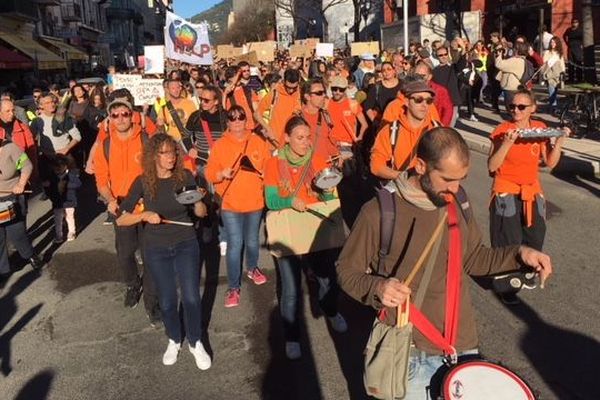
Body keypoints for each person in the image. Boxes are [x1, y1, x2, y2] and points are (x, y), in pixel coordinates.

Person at [336, 127, 554, 399]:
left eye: (460, 179)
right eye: (448, 179)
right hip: (410, 352)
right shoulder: (380, 210)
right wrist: (378, 287)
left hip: (462, 346)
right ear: (420, 165)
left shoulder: (457, 200)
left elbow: (474, 258)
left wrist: (519, 254)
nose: (455, 188)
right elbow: (346, 271)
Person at [116, 133, 211, 370]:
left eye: (174, 152)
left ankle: (196, 341)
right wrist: (144, 215)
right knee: (168, 301)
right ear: (153, 156)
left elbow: (200, 214)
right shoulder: (143, 182)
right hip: (156, 247)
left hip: (186, 242)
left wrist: (198, 201)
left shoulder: (185, 176)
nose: (171, 157)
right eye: (165, 153)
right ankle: (174, 339)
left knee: (190, 297)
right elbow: (121, 219)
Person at [264, 116, 347, 360]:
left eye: (308, 137)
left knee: (327, 278)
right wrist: (290, 200)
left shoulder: (318, 159)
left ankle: (331, 311)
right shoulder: (273, 164)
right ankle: (292, 336)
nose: (305, 142)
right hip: (289, 228)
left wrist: (327, 196)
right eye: (299, 138)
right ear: (287, 138)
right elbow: (270, 201)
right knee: (290, 288)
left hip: (315, 225)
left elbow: (329, 193)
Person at [487, 89, 567, 304]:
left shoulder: (539, 129)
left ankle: (526, 270)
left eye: (522, 107)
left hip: (531, 189)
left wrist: (558, 142)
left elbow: (550, 163)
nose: (516, 110)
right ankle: (506, 285)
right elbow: (492, 166)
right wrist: (507, 143)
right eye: (512, 106)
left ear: (533, 108)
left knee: (535, 233)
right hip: (506, 187)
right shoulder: (502, 130)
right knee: (508, 237)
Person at [93, 98, 159, 322]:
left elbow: (157, 169)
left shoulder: (145, 139)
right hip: (121, 207)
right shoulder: (105, 145)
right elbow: (101, 179)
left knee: (150, 255)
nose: (121, 118)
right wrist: (109, 199)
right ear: (110, 119)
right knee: (125, 254)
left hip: (147, 205)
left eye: (125, 114)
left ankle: (153, 301)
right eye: (116, 115)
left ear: (132, 115)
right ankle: (132, 285)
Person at [205, 105, 271, 308]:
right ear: (227, 122)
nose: (237, 121)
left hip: (255, 203)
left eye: (241, 117)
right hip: (230, 204)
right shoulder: (220, 145)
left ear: (246, 119)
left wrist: (264, 174)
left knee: (252, 241)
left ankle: (252, 268)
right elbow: (209, 173)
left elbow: (269, 167)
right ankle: (233, 287)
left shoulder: (258, 141)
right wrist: (220, 174)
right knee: (235, 246)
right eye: (232, 118)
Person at [370, 80, 440, 180]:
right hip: (402, 188)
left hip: (429, 190)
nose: (424, 105)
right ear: (406, 102)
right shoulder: (390, 131)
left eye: (429, 101)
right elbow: (376, 165)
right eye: (418, 100)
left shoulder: (438, 130)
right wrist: (403, 178)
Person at [0, 137, 43, 276]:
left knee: (16, 234)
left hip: (11, 197)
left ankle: (29, 255)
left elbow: (26, 166)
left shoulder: (10, 148)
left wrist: (21, 184)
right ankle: (3, 270)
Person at [255, 68, 302, 146]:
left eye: (294, 88)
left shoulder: (300, 93)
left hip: (292, 143)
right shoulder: (275, 93)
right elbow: (257, 114)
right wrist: (268, 129)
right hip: (274, 143)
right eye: (288, 87)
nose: (291, 90)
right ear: (283, 81)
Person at [44, 154, 81, 243]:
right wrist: (47, 185)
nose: (57, 170)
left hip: (69, 200)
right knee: (58, 218)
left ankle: (71, 232)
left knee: (69, 217)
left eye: (59, 168)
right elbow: (49, 188)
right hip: (57, 201)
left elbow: (78, 184)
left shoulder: (71, 175)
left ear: (65, 166)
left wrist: (67, 185)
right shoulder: (52, 176)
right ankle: (59, 235)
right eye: (55, 168)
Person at [432, 44, 466, 127]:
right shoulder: (434, 71)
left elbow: (461, 63)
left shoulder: (453, 67)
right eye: (440, 55)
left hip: (452, 101)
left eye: (445, 54)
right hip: (439, 102)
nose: (443, 57)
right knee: (438, 126)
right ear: (437, 57)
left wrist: (463, 49)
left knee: (450, 127)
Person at [414, 62, 453, 126]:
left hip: (433, 126)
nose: (419, 78)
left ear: (430, 77)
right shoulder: (409, 89)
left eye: (423, 76)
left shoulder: (440, 91)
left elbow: (447, 111)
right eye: (417, 75)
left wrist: (442, 127)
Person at [495, 41, 529, 111]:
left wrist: (499, 55)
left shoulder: (515, 61)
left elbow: (499, 64)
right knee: (516, 108)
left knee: (511, 109)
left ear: (517, 50)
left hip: (511, 88)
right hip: (517, 87)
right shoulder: (523, 60)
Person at [542, 37, 566, 113]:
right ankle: (554, 107)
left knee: (554, 92)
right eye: (551, 42)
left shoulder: (559, 54)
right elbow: (544, 63)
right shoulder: (547, 52)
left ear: (557, 43)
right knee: (551, 91)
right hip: (549, 75)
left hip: (557, 75)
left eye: (554, 42)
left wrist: (563, 73)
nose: (552, 44)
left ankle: (551, 107)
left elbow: (562, 65)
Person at [563, 19, 583, 83]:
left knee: (578, 63)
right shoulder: (569, 30)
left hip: (578, 49)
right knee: (570, 64)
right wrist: (567, 43)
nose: (574, 23)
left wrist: (581, 45)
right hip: (570, 48)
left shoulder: (580, 30)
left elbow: (583, 38)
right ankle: (570, 79)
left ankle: (579, 79)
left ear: (578, 23)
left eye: (575, 22)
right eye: (573, 22)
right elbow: (564, 36)